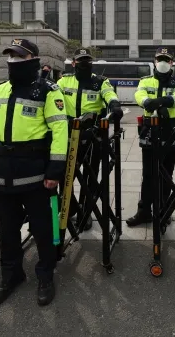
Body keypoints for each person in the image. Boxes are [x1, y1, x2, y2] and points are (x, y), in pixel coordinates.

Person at [0, 39, 68, 306]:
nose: (13, 60)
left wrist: (55, 171)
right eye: (10, 56)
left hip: (37, 174)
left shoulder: (48, 92)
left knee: (43, 230)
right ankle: (10, 275)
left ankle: (45, 276)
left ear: (33, 59)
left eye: (19, 55)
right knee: (9, 229)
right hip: (3, 172)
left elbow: (60, 133)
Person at [57, 48, 123, 230]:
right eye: (80, 60)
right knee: (64, 175)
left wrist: (115, 104)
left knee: (90, 176)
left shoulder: (100, 82)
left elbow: (109, 94)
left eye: (87, 60)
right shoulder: (64, 81)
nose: (84, 64)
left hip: (92, 135)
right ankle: (69, 209)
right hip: (69, 135)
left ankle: (86, 213)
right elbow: (54, 100)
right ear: (73, 63)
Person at [126, 47, 175, 227]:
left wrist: (160, 102)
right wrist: (148, 102)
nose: (162, 62)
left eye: (166, 59)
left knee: (166, 173)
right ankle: (144, 211)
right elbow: (139, 95)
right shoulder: (145, 81)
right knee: (149, 174)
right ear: (154, 61)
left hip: (171, 130)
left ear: (171, 63)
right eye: (159, 59)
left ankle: (163, 211)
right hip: (150, 130)